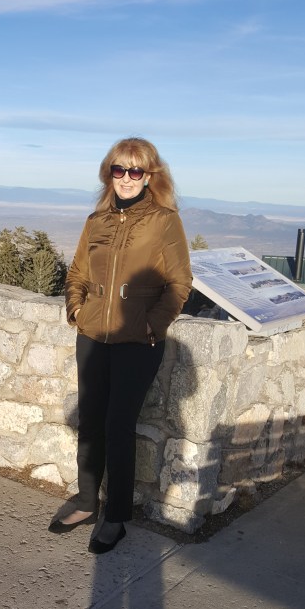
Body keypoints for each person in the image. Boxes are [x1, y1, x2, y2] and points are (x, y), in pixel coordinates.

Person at [49, 137, 193, 554]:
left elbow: (179, 282)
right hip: (93, 336)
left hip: (138, 342)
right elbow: (77, 272)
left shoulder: (164, 221)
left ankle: (115, 517)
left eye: (135, 171)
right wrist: (77, 310)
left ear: (149, 177)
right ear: (108, 172)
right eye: (119, 169)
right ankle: (85, 502)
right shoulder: (97, 220)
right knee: (91, 421)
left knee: (118, 426)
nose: (126, 178)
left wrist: (151, 326)